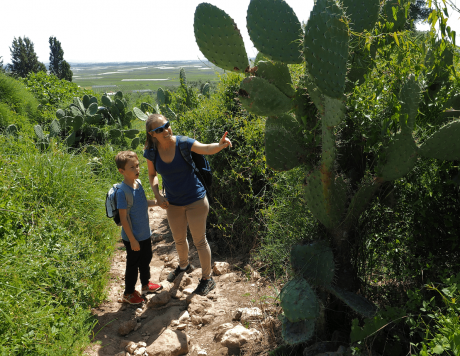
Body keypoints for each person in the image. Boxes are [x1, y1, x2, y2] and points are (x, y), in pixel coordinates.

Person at [143, 114, 232, 296]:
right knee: (179, 239)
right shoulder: (151, 152)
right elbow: (152, 174)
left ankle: (207, 279)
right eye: (160, 129)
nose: (166, 130)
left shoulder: (183, 143)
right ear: (152, 134)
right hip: (173, 203)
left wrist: (220, 145)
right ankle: (184, 266)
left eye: (167, 125)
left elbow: (205, 148)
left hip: (196, 201)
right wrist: (157, 195)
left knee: (199, 241)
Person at [115, 150, 162, 305]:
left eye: (137, 165)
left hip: (145, 234)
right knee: (133, 265)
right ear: (121, 171)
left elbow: (143, 203)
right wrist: (133, 240)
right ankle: (128, 293)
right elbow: (124, 218)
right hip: (132, 237)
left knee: (146, 260)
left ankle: (146, 285)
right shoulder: (122, 192)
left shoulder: (138, 183)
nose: (137, 169)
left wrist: (158, 202)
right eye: (132, 167)